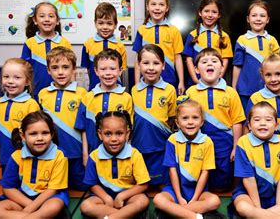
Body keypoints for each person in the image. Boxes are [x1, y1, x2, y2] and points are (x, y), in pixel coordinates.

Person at [230, 101, 280, 218]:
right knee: (243, 207)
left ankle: (260, 216)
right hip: (248, 195)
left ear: (276, 125)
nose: (263, 123)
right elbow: (248, 178)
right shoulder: (243, 142)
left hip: (274, 194)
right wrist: (257, 207)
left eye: (268, 120)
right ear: (250, 126)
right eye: (257, 120)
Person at [0, 111, 69, 218]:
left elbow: (52, 190)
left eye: (45, 133)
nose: (40, 138)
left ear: (52, 134)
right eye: (33, 134)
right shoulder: (16, 156)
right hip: (23, 200)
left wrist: (30, 210)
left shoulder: (59, 156)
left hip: (47, 200)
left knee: (54, 206)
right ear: (23, 136)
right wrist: (30, 208)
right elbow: (8, 188)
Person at [186, 48, 245, 191]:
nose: (209, 64)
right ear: (196, 69)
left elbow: (237, 121)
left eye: (214, 61)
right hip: (197, 142)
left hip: (223, 142)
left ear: (222, 68)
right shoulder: (190, 92)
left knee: (222, 185)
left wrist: (235, 146)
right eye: (204, 61)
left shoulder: (231, 93)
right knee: (199, 183)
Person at [153, 97, 221, 218]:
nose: (190, 122)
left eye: (195, 118)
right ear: (177, 123)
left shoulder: (207, 142)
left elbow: (205, 173)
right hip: (175, 190)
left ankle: (178, 212)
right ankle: (193, 217)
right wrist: (179, 197)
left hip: (198, 192)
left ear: (202, 122)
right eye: (185, 118)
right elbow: (172, 170)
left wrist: (194, 199)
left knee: (214, 201)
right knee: (158, 200)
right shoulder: (172, 140)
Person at [80, 111, 150, 218]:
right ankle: (124, 215)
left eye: (119, 133)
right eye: (108, 134)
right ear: (100, 134)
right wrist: (106, 198)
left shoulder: (134, 154)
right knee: (86, 206)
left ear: (127, 134)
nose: (114, 139)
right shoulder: (94, 156)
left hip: (128, 197)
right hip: (103, 198)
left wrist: (122, 196)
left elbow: (143, 184)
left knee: (142, 201)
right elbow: (92, 184)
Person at [38, 47, 87, 190]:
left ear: (73, 70)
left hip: (75, 153)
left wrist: (85, 154)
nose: (60, 72)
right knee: (51, 188)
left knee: (83, 187)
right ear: (48, 70)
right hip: (51, 154)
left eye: (65, 67)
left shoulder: (82, 94)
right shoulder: (43, 94)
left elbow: (84, 127)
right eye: (55, 68)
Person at [75, 49, 133, 162]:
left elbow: (128, 131)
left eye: (112, 69)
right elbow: (83, 130)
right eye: (103, 69)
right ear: (96, 71)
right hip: (93, 156)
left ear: (120, 71)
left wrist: (127, 154)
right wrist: (85, 155)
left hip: (120, 157)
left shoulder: (126, 98)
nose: (108, 73)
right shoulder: (88, 97)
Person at [131, 44, 177, 186]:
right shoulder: (133, 90)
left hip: (161, 146)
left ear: (163, 66)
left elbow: (172, 119)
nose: (151, 68)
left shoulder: (170, 90)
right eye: (146, 63)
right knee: (142, 183)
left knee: (161, 183)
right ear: (139, 65)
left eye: (156, 63)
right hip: (139, 145)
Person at [132, 0, 185, 95]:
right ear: (147, 7)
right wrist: (137, 83)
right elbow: (137, 60)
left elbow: (178, 57)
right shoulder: (142, 30)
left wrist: (181, 81)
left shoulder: (173, 30)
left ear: (167, 8)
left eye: (161, 4)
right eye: (153, 4)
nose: (157, 8)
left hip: (169, 80)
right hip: (146, 81)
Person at [245, 54, 280, 156]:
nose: (273, 79)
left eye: (278, 74)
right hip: (259, 152)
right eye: (268, 75)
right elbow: (247, 127)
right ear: (262, 75)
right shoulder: (256, 98)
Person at [0, 58, 40, 173]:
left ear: (27, 81)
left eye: (17, 77)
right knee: (8, 186)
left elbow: (36, 134)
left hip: (25, 158)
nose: (10, 81)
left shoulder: (31, 104)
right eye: (6, 77)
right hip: (5, 157)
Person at [232, 0, 280, 109]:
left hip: (268, 89)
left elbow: (278, 66)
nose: (258, 19)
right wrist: (234, 87)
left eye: (262, 16)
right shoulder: (242, 40)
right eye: (254, 15)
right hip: (245, 90)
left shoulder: (272, 40)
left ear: (267, 19)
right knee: (247, 121)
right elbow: (237, 65)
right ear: (248, 19)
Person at [21, 1, 72, 99]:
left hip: (60, 93)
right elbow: (24, 70)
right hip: (35, 94)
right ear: (35, 20)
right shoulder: (30, 43)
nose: (47, 19)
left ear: (57, 21)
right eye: (42, 16)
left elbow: (71, 69)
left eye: (51, 16)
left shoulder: (65, 43)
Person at [183, 0, 233, 86]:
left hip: (217, 83)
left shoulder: (224, 37)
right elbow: (188, 60)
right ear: (200, 12)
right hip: (195, 84)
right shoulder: (193, 35)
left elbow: (225, 60)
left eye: (214, 12)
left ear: (219, 15)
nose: (210, 15)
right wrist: (195, 80)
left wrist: (218, 79)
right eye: (206, 11)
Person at [81, 2, 127, 90]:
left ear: (115, 25)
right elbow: (87, 69)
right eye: (101, 23)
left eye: (109, 23)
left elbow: (122, 70)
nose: (105, 27)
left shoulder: (120, 45)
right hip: (94, 90)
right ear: (95, 23)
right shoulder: (88, 44)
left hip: (116, 91)